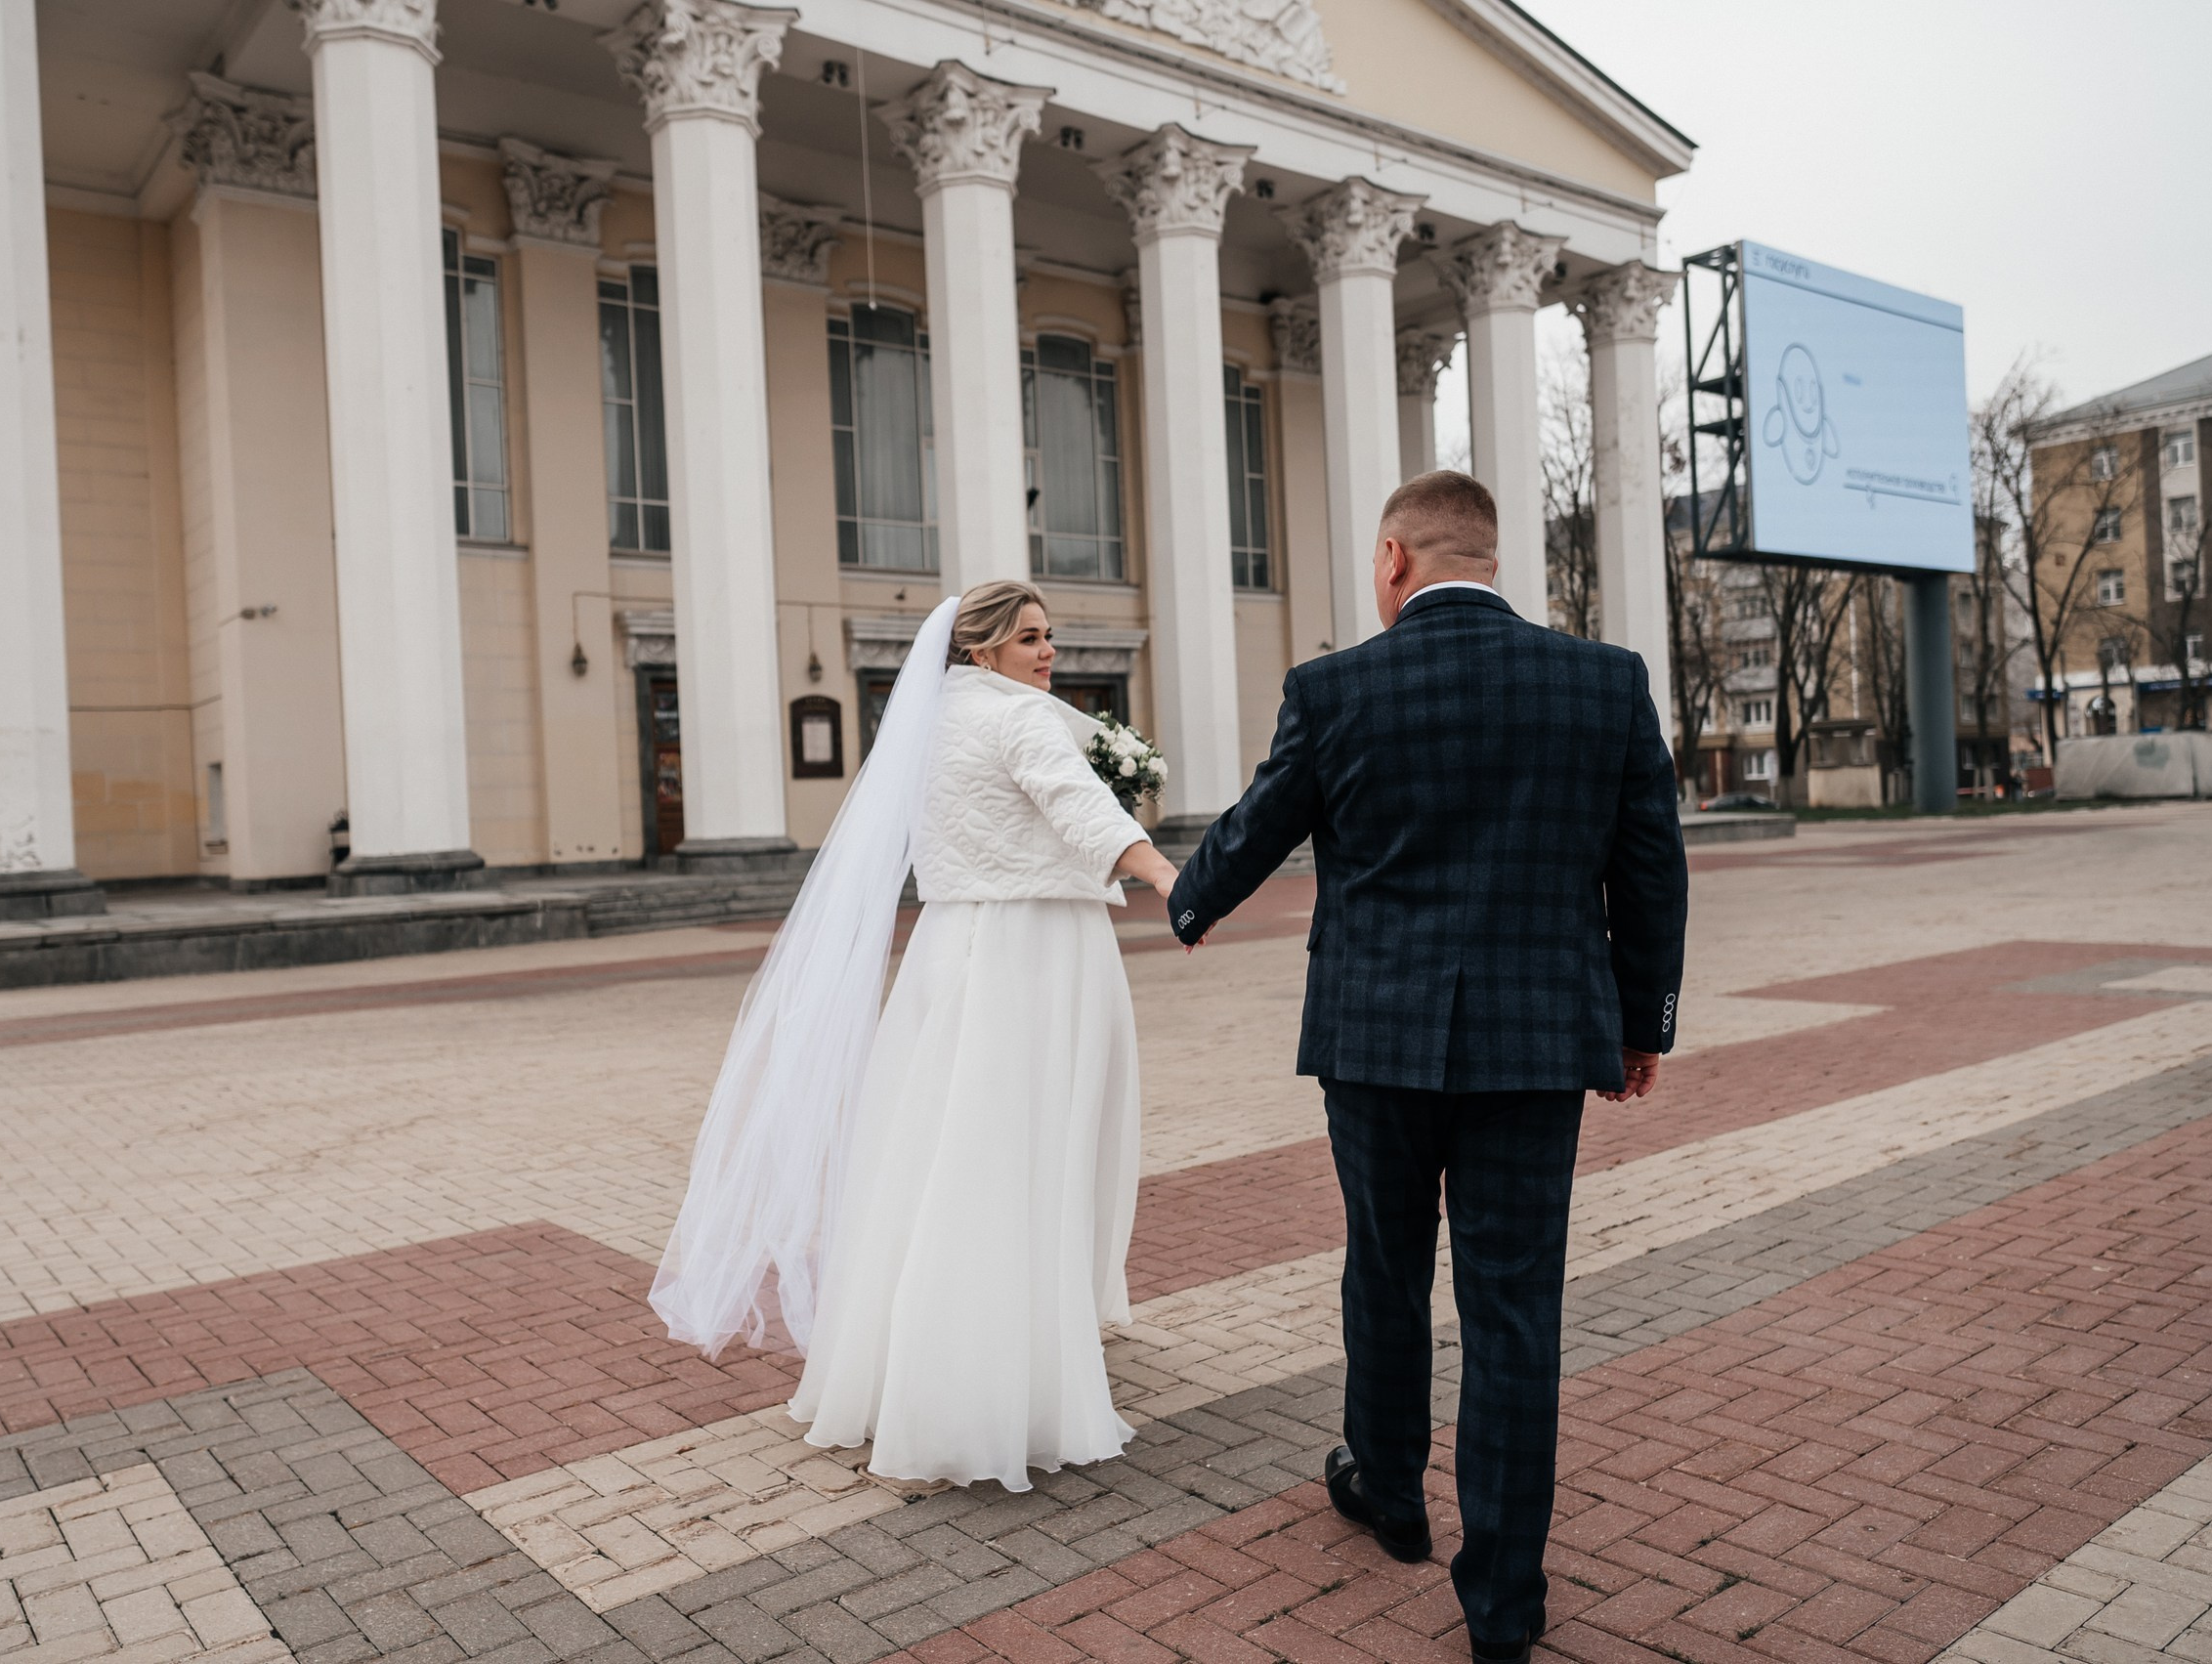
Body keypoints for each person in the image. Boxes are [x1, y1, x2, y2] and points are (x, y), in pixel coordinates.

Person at [1166, 472, 1687, 1663]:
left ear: (1394, 557)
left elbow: (1258, 825)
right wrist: (1640, 1020)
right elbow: (1649, 867)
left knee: (1386, 1265)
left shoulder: (1336, 686)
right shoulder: (1603, 682)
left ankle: (1390, 1487)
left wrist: (1184, 898)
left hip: (1376, 1040)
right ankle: (1504, 1602)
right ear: (1490, 560)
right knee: (1514, 1309)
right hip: (1535, 1044)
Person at [652, 579, 1178, 1492]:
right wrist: (1172, 875)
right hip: (1033, 954)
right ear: (981, 650)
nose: (1047, 654)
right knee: (1023, 1148)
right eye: (1029, 639)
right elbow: (1078, 808)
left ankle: (915, 1355)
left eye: (1051, 637)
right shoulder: (1021, 720)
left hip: (950, 951)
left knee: (944, 1150)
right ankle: (999, 1372)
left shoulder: (929, 725)